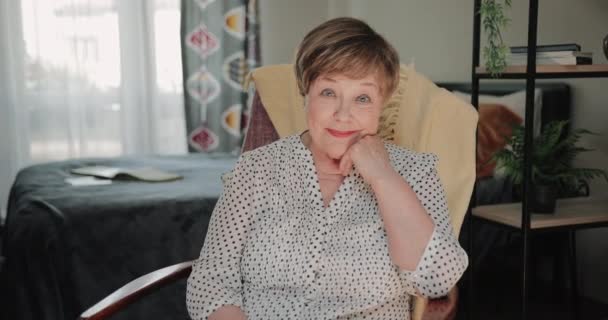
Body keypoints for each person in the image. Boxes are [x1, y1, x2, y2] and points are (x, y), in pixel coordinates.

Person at [186, 17, 468, 320]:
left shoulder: (415, 172)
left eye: (362, 98)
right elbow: (210, 281)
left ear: (381, 103)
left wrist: (383, 177)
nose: (343, 115)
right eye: (329, 93)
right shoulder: (256, 169)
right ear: (305, 93)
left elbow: (435, 278)